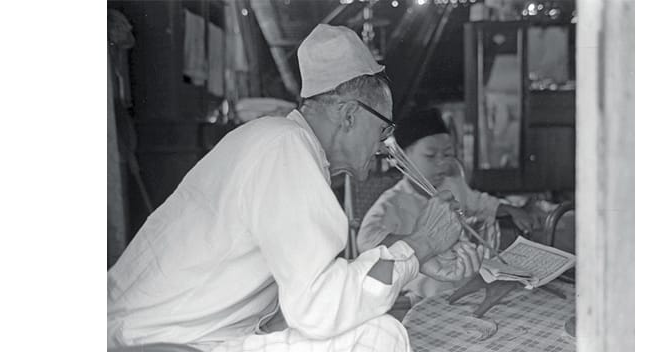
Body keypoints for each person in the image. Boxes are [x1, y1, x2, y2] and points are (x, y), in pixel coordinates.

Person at [107, 25, 483, 352]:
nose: (384, 146)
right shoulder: (285, 147)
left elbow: (313, 290)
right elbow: (320, 309)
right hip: (162, 343)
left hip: (173, 335)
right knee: (378, 337)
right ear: (350, 114)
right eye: (384, 129)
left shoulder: (280, 144)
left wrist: (412, 258)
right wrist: (420, 245)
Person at [357, 107, 540, 301]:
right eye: (430, 155)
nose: (442, 163)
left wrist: (509, 209)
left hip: (465, 276)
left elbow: (478, 201)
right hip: (425, 289)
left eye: (447, 155)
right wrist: (418, 241)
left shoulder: (451, 184)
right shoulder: (391, 204)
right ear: (404, 155)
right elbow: (366, 241)